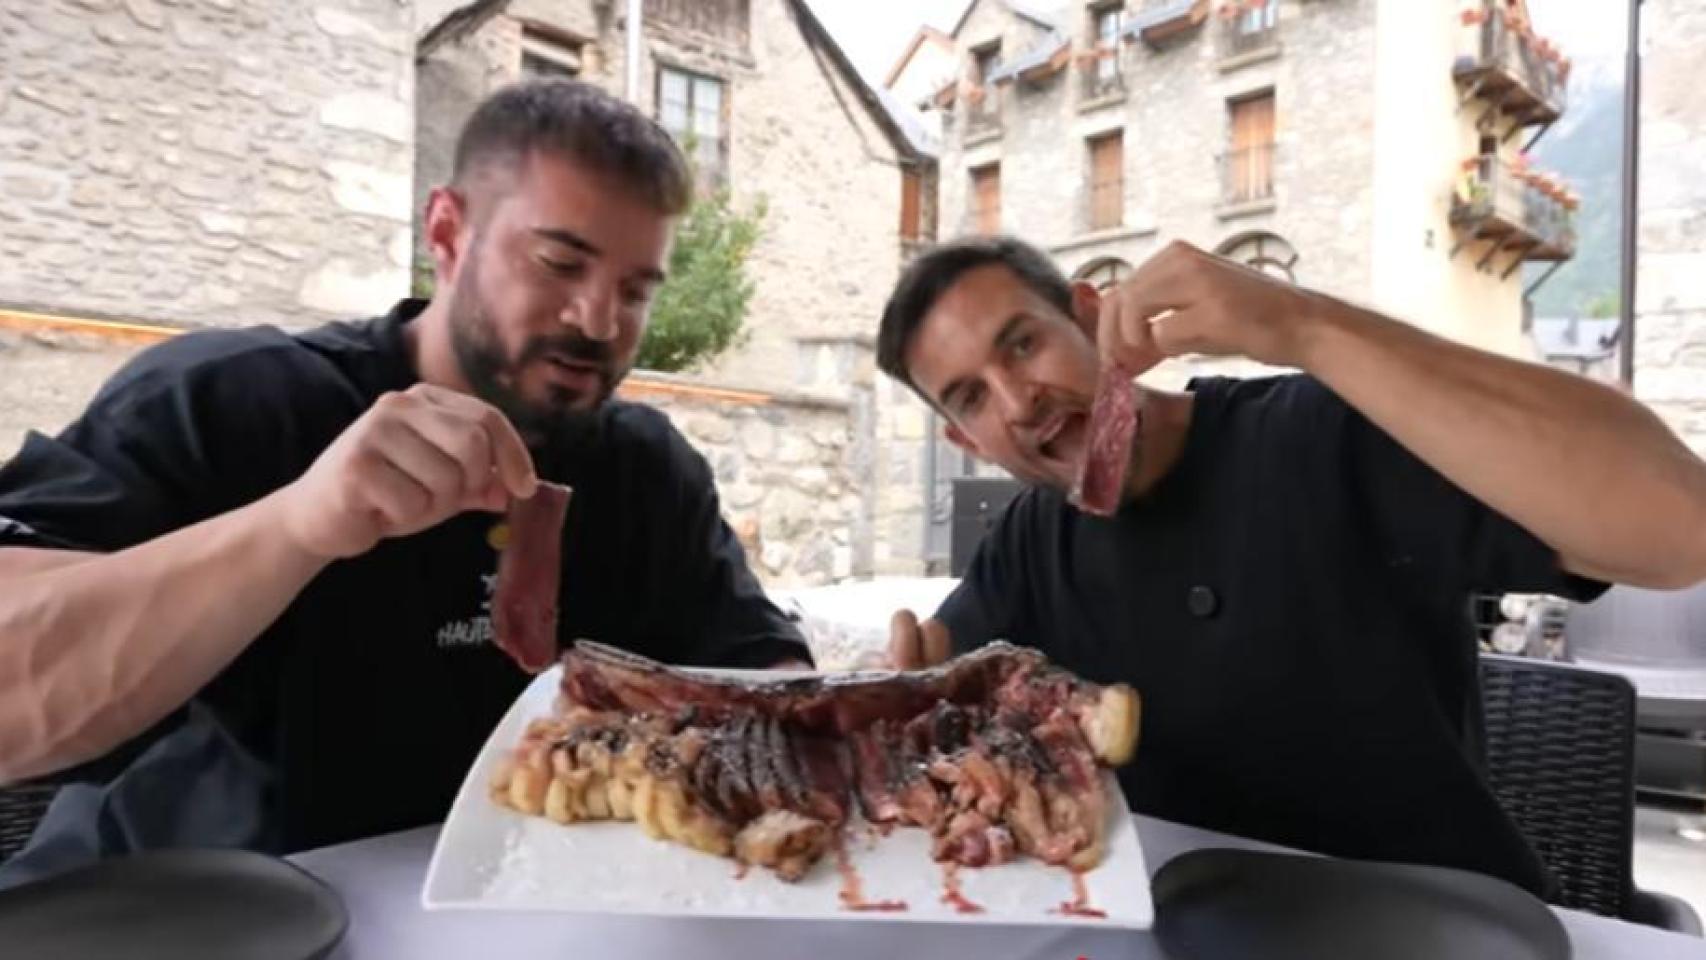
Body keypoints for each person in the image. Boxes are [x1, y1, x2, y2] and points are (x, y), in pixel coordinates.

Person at [0, 80, 809, 885]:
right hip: (180, 918)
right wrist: (296, 527)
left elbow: (765, 680)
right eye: (560, 263)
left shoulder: (644, 469)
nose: (598, 321)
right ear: (448, 232)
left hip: (526, 917)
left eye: (635, 292)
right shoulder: (231, 398)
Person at [876, 235, 1706, 895]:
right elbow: (944, 683)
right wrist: (915, 699)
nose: (1019, 402)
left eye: (1022, 345)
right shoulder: (1032, 536)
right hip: (1188, 926)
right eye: (972, 398)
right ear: (962, 441)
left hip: (1442, 925)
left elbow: (1680, 528)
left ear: (1091, 316)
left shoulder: (1320, 439)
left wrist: (1304, 327)